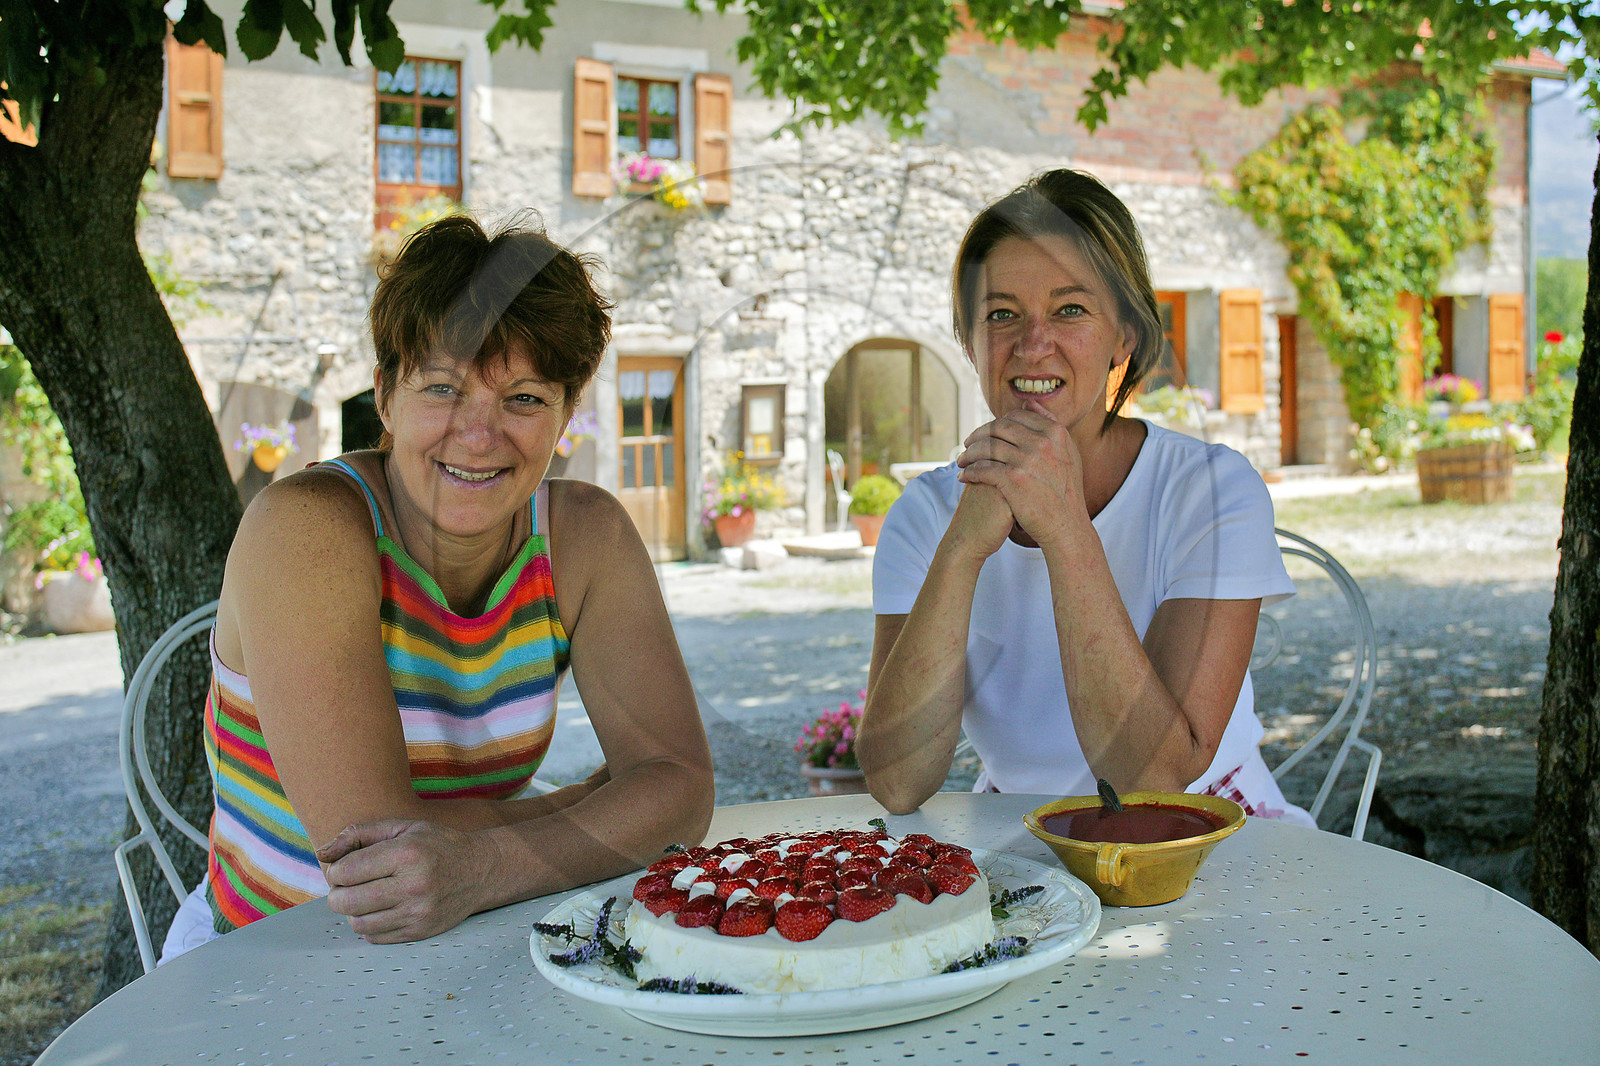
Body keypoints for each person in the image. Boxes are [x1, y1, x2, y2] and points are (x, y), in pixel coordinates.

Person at [162, 214, 714, 960]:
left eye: (522, 398)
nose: (478, 434)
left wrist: (485, 865)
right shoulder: (307, 530)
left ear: (566, 414)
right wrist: (590, 805)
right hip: (268, 962)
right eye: (443, 388)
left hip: (474, 932)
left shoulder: (587, 537)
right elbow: (375, 857)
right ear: (386, 395)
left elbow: (680, 790)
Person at [857, 169, 1312, 826]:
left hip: (1204, 834)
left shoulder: (1211, 491)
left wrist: (1065, 528)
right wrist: (961, 548)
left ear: (1124, 336)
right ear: (969, 342)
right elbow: (898, 784)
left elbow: (1154, 779)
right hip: (1021, 832)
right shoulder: (924, 514)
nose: (1033, 343)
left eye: (1070, 309)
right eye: (1001, 314)